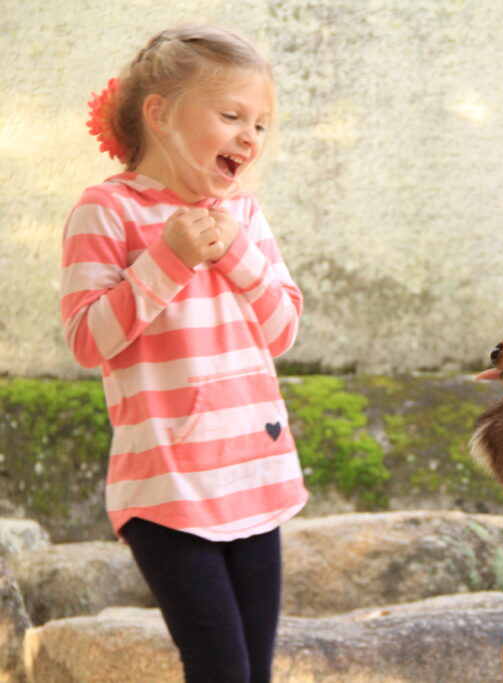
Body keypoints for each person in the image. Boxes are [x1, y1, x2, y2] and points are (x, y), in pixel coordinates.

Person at [59, 24, 307, 682]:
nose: (250, 137)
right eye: (231, 115)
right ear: (161, 114)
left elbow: (283, 328)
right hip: (165, 485)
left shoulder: (244, 216)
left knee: (253, 670)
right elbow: (87, 339)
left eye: (261, 123)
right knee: (219, 668)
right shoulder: (106, 211)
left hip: (253, 472)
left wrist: (235, 254)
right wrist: (167, 259)